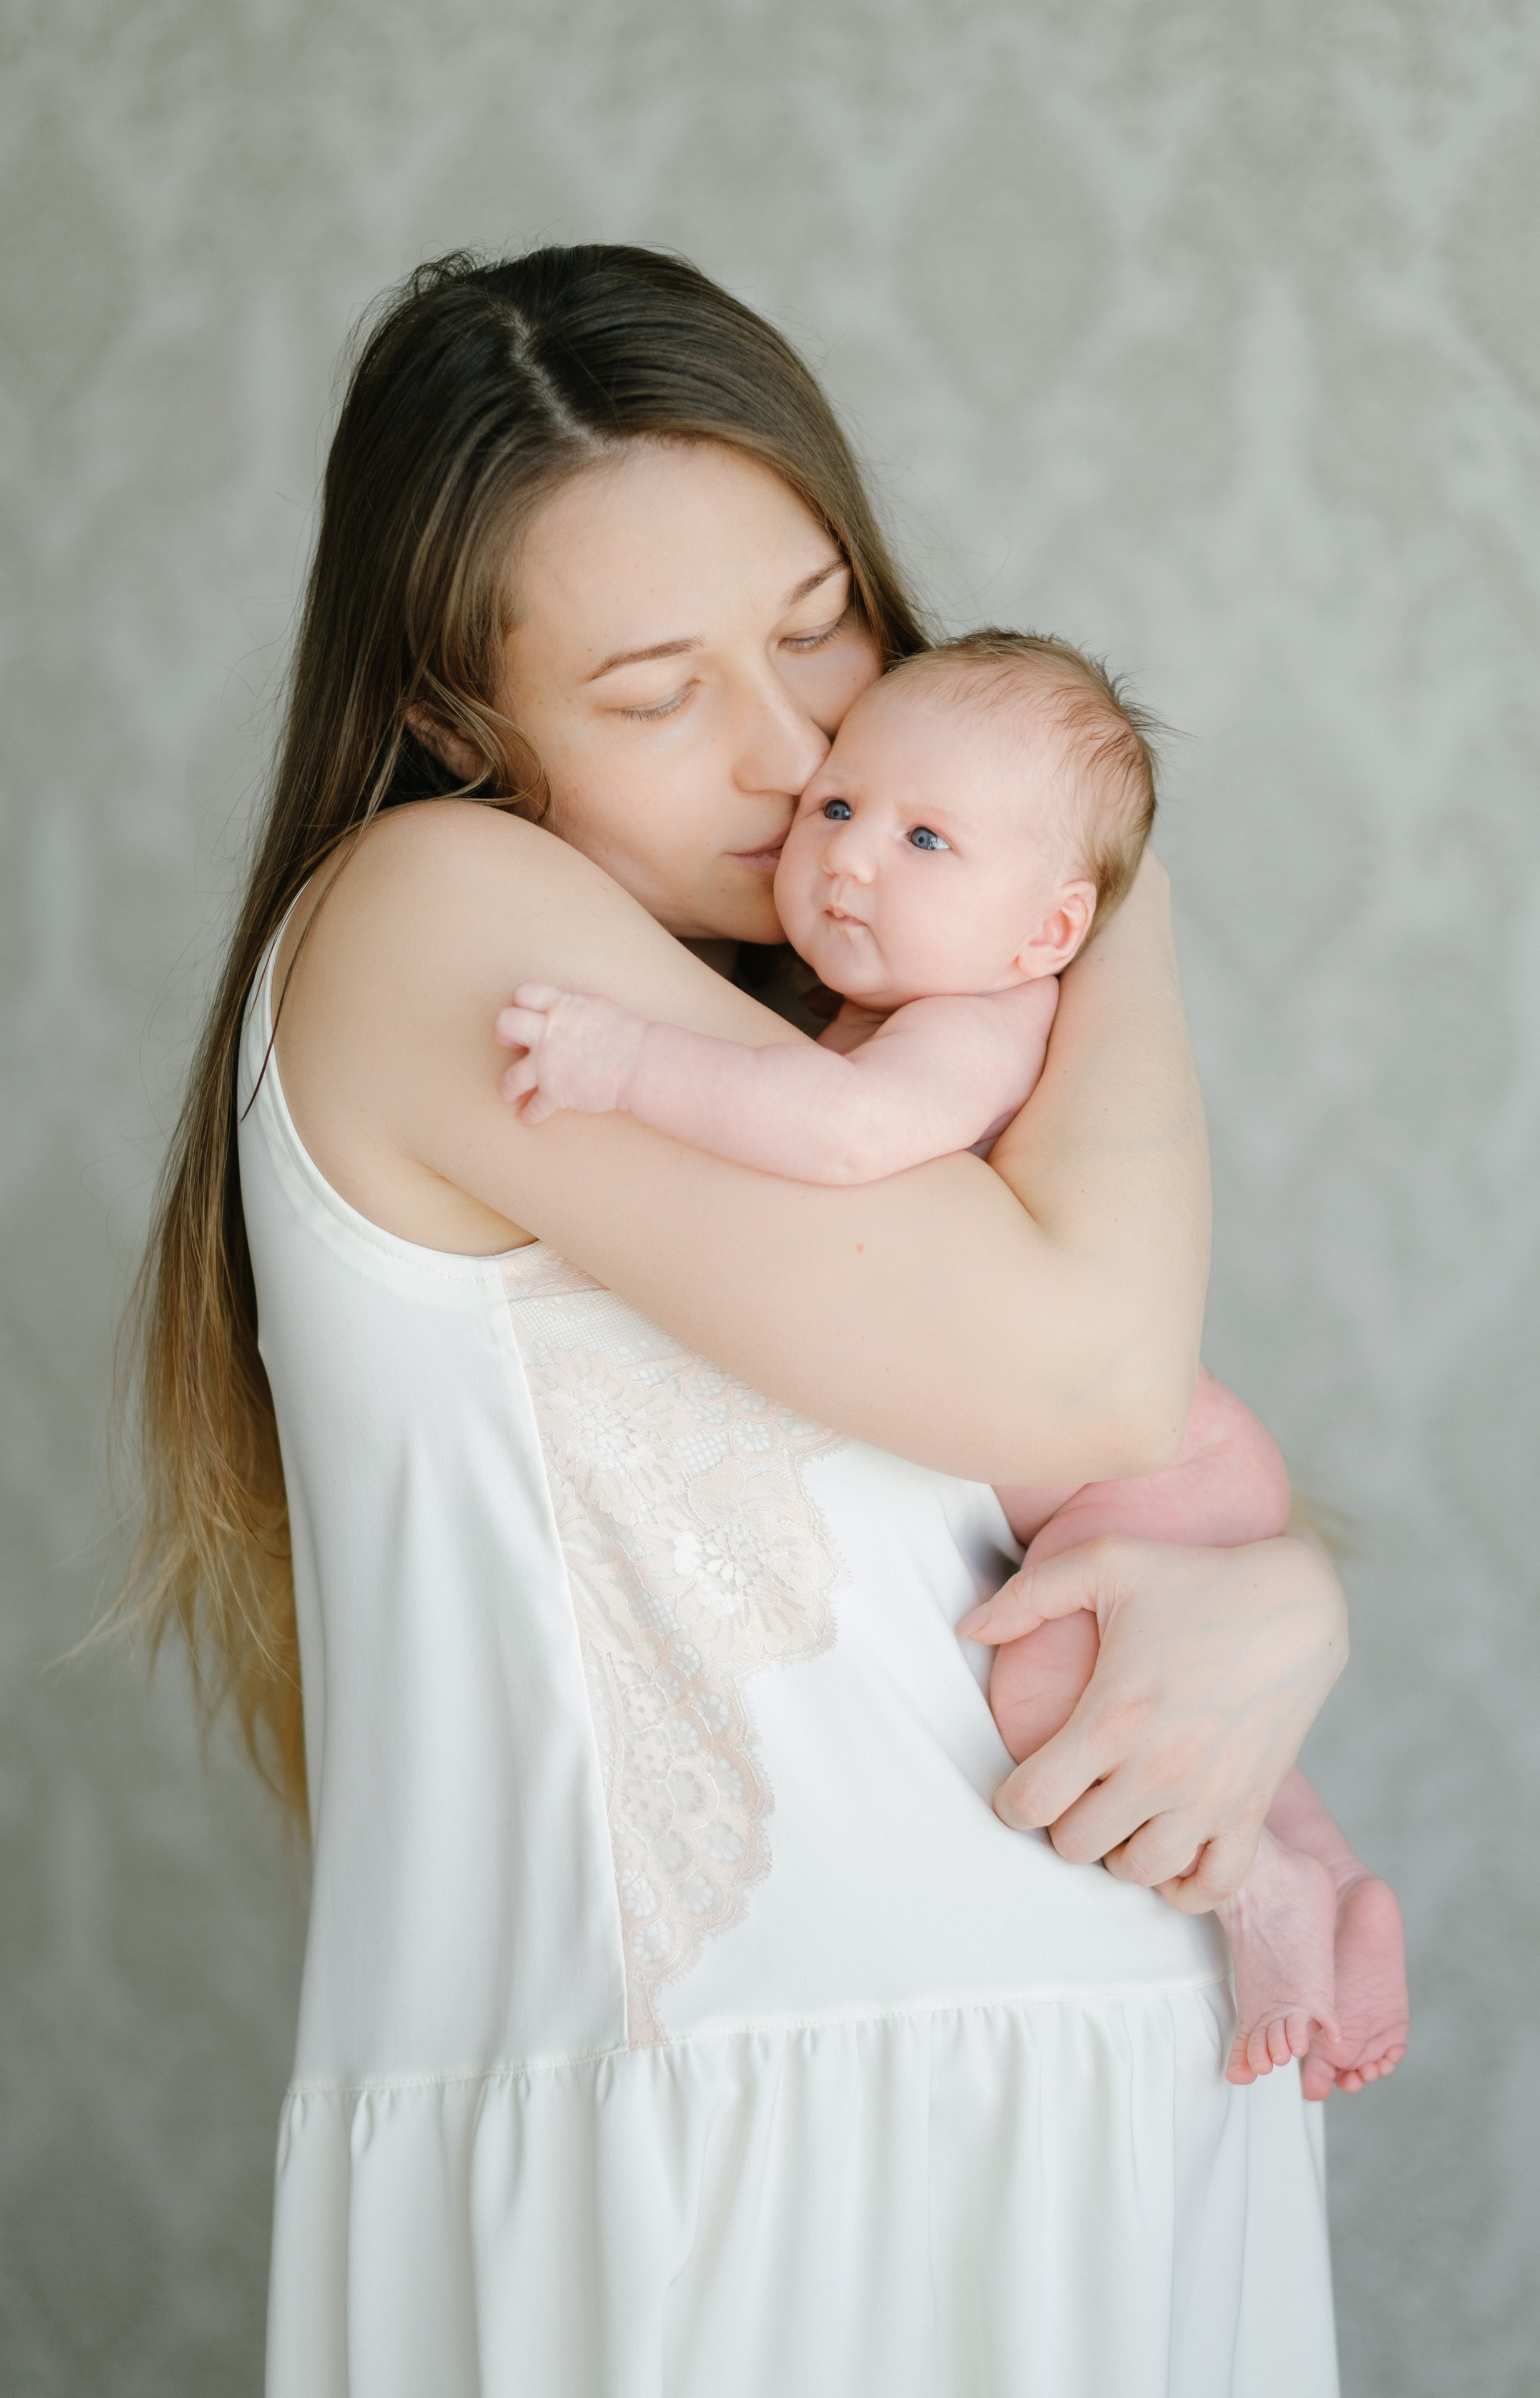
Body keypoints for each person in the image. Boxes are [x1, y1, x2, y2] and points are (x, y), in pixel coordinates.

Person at [126, 245, 1351, 2396]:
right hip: (748, 2167)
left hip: (1100, 2096)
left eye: (820, 628)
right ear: (450, 723)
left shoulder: (843, 1014)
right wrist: (1096, 887)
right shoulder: (443, 920)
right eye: (657, 689)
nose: (797, 753)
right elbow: (1083, 1366)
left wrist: (1289, 1598)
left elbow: (1088, 1461)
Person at [491, 629, 1409, 2097]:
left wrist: (621, 1066)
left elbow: (841, 1135)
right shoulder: (915, 994)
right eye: (841, 808)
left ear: (1047, 931)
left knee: (1055, 1704)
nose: (849, 857)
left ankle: (1265, 1890)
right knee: (1163, 1685)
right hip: (1144, 1455)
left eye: (926, 839)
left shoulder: (975, 1021)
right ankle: (1328, 1876)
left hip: (1143, 1465)